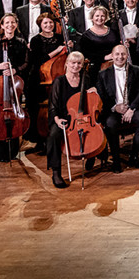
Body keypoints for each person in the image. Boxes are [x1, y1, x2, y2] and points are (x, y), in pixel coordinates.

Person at [95, 43, 139, 171]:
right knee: (110, 124)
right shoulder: (103, 74)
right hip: (113, 110)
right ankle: (116, 159)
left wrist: (131, 109)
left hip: (130, 108)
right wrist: (115, 107)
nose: (120, 57)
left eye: (123, 54)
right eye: (117, 54)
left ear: (127, 55)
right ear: (112, 56)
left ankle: (134, 156)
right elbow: (102, 96)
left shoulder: (136, 70)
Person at [0, 13, 29, 162]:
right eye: (7, 23)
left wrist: (15, 70)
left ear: (16, 25)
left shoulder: (21, 42)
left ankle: (13, 150)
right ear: (2, 26)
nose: (10, 25)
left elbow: (26, 63)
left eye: (13, 22)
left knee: (14, 114)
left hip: (14, 81)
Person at [48, 51, 94, 188]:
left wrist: (93, 92)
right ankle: (56, 172)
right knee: (54, 135)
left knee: (95, 130)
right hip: (62, 117)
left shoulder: (86, 78)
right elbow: (53, 105)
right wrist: (57, 120)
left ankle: (93, 154)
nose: (76, 66)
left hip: (81, 117)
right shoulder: (59, 81)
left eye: (79, 63)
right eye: (73, 63)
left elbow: (90, 102)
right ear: (67, 64)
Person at [25, 12, 66, 152]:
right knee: (38, 110)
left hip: (57, 77)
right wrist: (57, 50)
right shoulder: (36, 39)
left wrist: (67, 47)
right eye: (45, 23)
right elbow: (38, 60)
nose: (49, 25)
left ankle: (59, 138)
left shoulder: (60, 37)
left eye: (51, 23)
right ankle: (41, 140)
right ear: (40, 25)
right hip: (40, 79)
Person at [77, 6, 120, 71]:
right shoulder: (86, 35)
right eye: (97, 16)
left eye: (102, 16)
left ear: (106, 18)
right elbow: (86, 54)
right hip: (96, 67)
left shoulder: (113, 32)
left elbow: (118, 46)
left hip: (115, 64)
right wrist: (104, 57)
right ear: (92, 17)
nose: (100, 18)